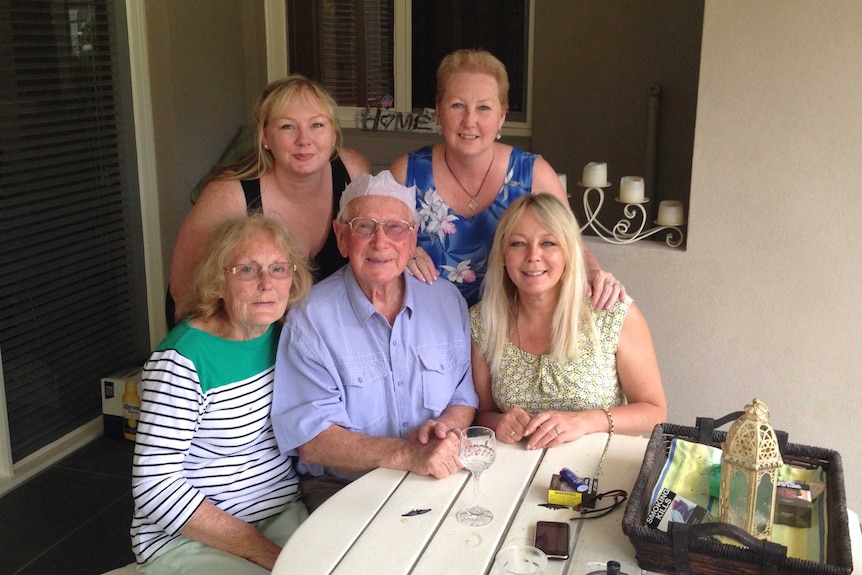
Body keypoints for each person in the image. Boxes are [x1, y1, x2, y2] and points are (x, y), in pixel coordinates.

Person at [271, 170, 477, 512]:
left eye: (395, 228)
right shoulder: (310, 317)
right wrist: (406, 455)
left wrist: (442, 433)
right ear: (341, 238)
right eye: (364, 227)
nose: (380, 242)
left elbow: (463, 395)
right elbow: (312, 439)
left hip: (433, 471)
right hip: (344, 486)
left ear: (412, 242)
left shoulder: (447, 301)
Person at [131, 214, 313, 574]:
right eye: (246, 270)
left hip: (280, 513)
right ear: (218, 283)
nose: (266, 284)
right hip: (189, 539)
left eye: (278, 269)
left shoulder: (284, 337)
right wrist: (261, 552)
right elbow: (154, 486)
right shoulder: (183, 360)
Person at [389, 48, 624, 308]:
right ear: (438, 111)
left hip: (512, 330)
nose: (470, 121)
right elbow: (377, 244)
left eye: (484, 108)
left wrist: (595, 274)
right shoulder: (405, 175)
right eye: (458, 105)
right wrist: (400, 254)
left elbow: (572, 246)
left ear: (502, 117)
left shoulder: (533, 174)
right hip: (428, 328)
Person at [469, 193, 666, 451]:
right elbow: (482, 413)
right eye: (518, 244)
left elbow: (655, 413)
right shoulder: (483, 322)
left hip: (602, 471)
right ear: (503, 255)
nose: (533, 256)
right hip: (516, 472)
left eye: (549, 243)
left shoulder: (611, 313)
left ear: (569, 252)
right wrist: (499, 422)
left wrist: (583, 422)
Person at [168, 74, 371, 323]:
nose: (304, 140)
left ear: (333, 133)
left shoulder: (353, 171)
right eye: (287, 126)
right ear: (265, 137)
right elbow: (184, 293)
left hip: (322, 335)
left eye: (317, 125)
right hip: (245, 335)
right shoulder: (228, 196)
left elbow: (375, 242)